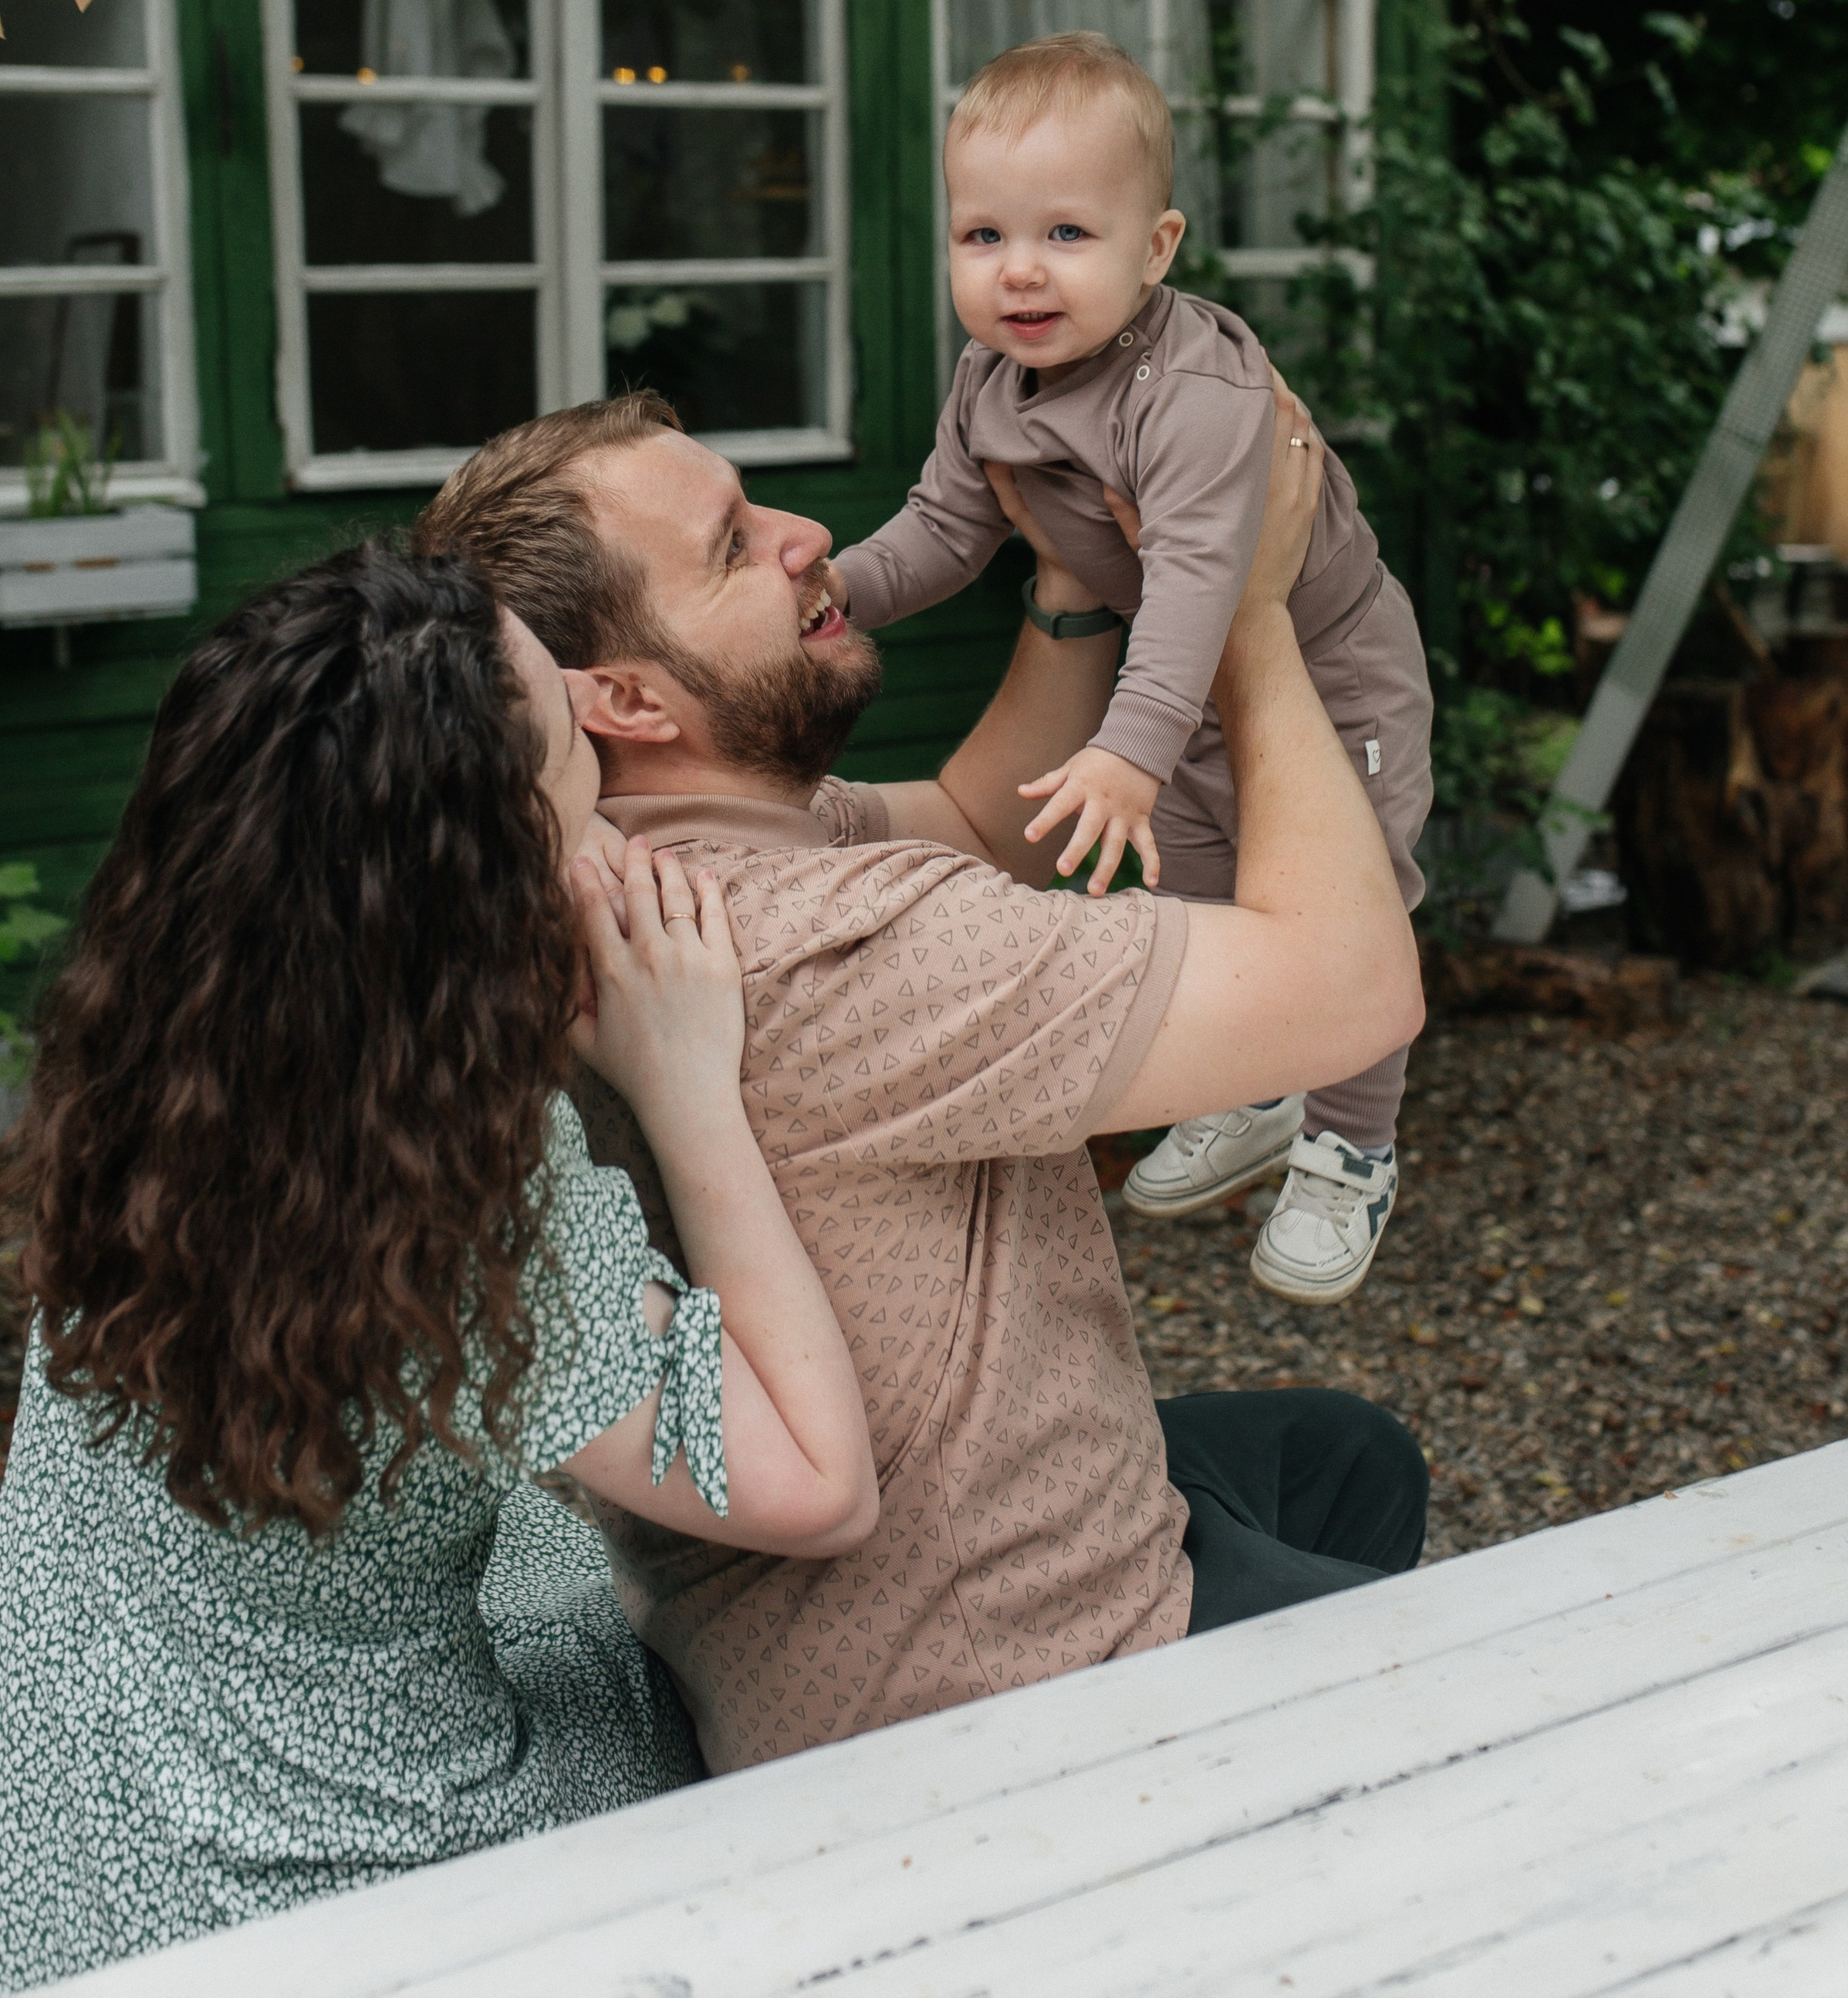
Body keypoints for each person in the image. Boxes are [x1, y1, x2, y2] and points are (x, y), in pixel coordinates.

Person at [0, 544, 875, 1998]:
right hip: (271, 1922)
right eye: (572, 759)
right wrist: (688, 1090)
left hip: (13, 1842)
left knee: (545, 1534)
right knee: (664, 1672)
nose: (603, 754)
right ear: (489, 867)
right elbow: (816, 1483)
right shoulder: (450, 1191)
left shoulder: (158, 1032)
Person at [414, 381, 1427, 1777]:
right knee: (1508, 1708)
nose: (806, 534)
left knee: (1348, 1459)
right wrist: (1240, 610)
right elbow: (1354, 986)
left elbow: (968, 823)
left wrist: (1071, 583)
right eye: (731, 547)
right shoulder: (825, 951)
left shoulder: (642, 862)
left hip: (822, 1628)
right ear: (625, 697)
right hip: (1011, 1684)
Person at [825, 32, 1435, 1306]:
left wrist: (1125, 750)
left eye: (1066, 235)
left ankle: (1350, 1147)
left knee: (1351, 886)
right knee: (1212, 884)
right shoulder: (991, 383)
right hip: (1187, 687)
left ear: (1155, 249)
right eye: (983, 238)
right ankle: (1254, 1086)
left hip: (1330, 674)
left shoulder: (1196, 389)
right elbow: (943, 530)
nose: (1021, 272)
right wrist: (835, 591)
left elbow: (1214, 579)